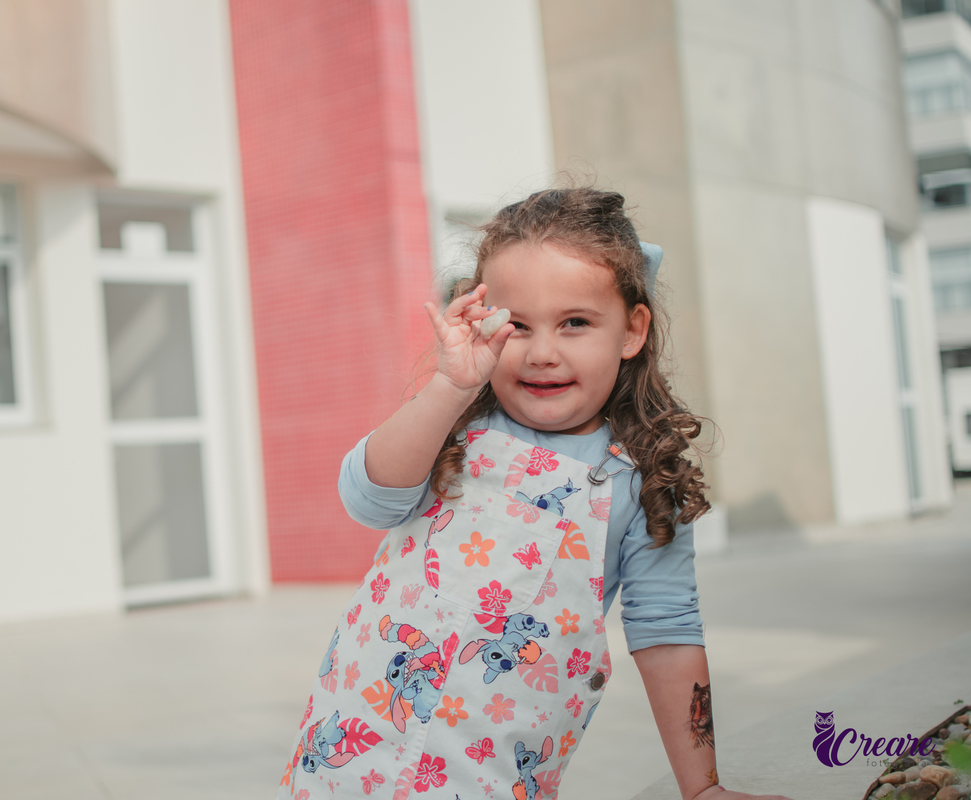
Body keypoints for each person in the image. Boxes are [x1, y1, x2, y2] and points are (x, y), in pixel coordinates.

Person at [276, 187, 791, 800]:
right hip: (352, 756)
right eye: (516, 325)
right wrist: (447, 388)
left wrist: (702, 789)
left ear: (632, 330)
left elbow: (667, 633)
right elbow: (369, 499)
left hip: (493, 772)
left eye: (575, 322)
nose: (543, 353)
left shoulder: (642, 479)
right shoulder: (454, 426)